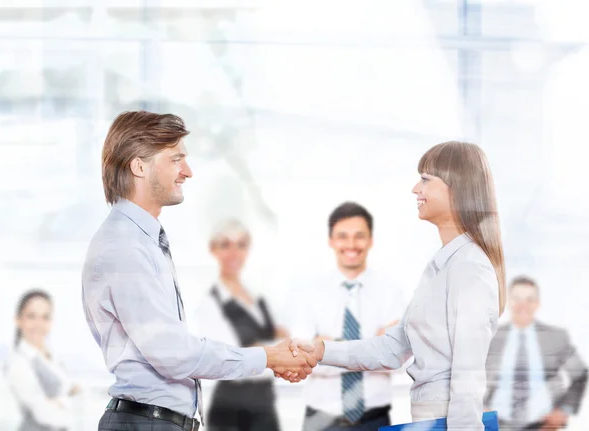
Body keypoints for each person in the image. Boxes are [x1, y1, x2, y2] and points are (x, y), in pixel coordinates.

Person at [82, 111, 316, 431]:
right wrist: (270, 357)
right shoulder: (125, 248)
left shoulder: (142, 241)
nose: (187, 172)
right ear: (139, 166)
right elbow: (174, 354)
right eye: (176, 159)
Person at [287, 141, 506, 431]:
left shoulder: (469, 268)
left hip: (448, 421)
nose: (416, 189)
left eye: (426, 179)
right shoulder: (442, 266)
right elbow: (392, 348)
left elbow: (468, 374)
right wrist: (321, 350)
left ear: (457, 187)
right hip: (428, 418)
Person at [289, 202, 405, 431]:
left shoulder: (391, 291)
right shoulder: (308, 293)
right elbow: (302, 358)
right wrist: (373, 348)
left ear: (371, 240)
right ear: (330, 240)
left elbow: (399, 358)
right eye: (342, 236)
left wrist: (327, 349)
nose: (351, 244)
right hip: (319, 421)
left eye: (359, 236)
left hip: (375, 420)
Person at [195, 218, 289, 431]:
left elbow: (285, 337)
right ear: (213, 249)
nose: (234, 253)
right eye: (225, 245)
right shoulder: (210, 303)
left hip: (265, 409)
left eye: (241, 245)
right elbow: (230, 359)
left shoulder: (259, 297)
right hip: (230, 414)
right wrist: (278, 352)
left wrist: (264, 350)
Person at [484, 275, 588, 430]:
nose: (522, 305)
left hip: (542, 425)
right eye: (517, 299)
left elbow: (580, 374)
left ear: (537, 304)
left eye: (529, 299)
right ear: (508, 302)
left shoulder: (555, 337)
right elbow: (466, 376)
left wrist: (564, 410)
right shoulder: (490, 337)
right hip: (496, 424)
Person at [5, 289, 80, 431]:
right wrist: (66, 400)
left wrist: (59, 401)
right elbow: (45, 414)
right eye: (32, 316)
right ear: (18, 320)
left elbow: (72, 390)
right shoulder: (18, 363)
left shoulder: (50, 357)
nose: (39, 323)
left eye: (45, 317)